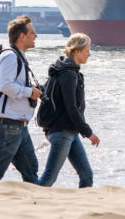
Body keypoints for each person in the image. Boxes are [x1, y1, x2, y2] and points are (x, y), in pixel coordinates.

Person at [0, 15, 42, 184]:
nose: (36, 36)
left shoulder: (18, 56)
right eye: (32, 33)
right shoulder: (10, 57)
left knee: (31, 169)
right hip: (8, 125)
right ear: (22, 36)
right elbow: (5, 85)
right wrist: (29, 92)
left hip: (18, 125)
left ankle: (34, 205)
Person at [38, 33, 101, 188]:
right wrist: (88, 132)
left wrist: (47, 129)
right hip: (62, 132)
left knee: (87, 175)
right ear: (77, 51)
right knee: (49, 178)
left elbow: (50, 98)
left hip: (70, 132)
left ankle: (83, 208)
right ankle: (29, 205)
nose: (89, 54)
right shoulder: (68, 74)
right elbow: (71, 107)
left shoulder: (64, 71)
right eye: (87, 50)